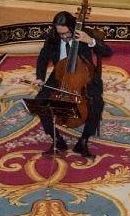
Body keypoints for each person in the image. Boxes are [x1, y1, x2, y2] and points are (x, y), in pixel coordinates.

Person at [34, 11, 113, 158]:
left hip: (85, 77)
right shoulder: (52, 37)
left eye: (67, 33)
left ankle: (83, 142)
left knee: (97, 103)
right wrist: (40, 77)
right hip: (60, 75)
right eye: (61, 34)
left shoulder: (84, 33)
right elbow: (43, 57)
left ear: (72, 28)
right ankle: (57, 140)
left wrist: (90, 41)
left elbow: (107, 52)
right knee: (40, 102)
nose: (64, 37)